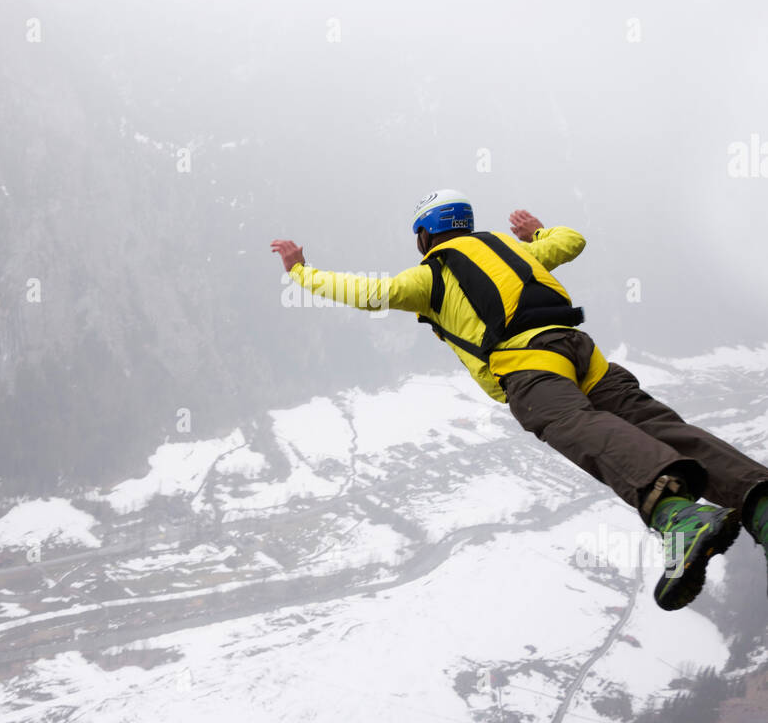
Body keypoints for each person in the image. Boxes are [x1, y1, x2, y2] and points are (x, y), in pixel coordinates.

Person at [271, 189, 768, 612]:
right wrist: (535, 233)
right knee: (659, 425)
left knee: (571, 424)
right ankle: (759, 502)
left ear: (425, 235)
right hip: (582, 352)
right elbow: (572, 240)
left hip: (530, 364)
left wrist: (300, 271)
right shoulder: (515, 250)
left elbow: (364, 292)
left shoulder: (430, 277)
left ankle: (676, 514)